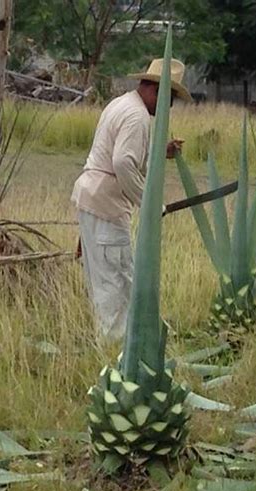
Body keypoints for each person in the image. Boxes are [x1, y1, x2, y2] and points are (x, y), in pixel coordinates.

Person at [71, 58, 192, 340]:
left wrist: (160, 150)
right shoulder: (137, 116)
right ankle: (117, 358)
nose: (169, 106)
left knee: (108, 283)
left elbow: (124, 152)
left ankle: (115, 348)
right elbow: (123, 162)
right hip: (107, 207)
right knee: (115, 288)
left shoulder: (122, 104)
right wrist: (149, 204)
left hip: (94, 201)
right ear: (155, 90)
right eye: (170, 97)